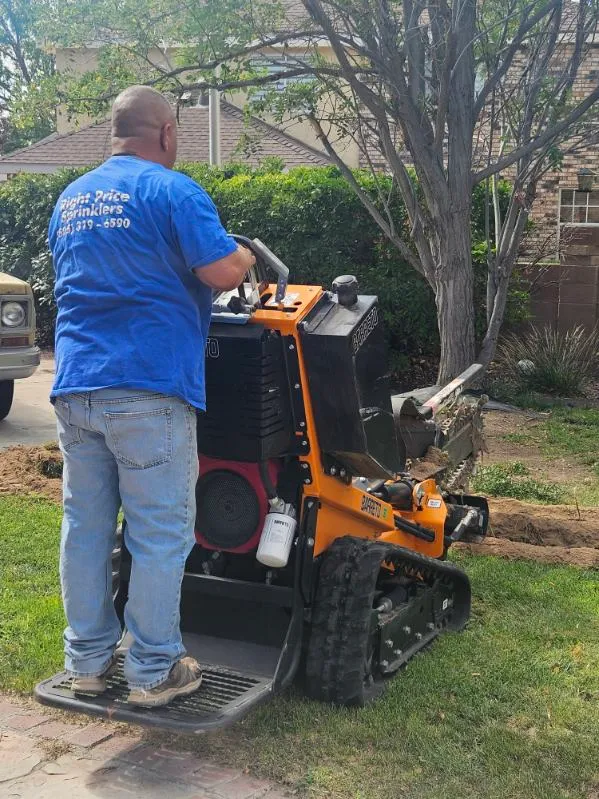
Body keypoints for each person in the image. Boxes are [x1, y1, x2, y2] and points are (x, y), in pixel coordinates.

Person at [47, 85, 255, 708]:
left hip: (78, 385)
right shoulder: (172, 190)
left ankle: (86, 662)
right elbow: (221, 273)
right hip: (148, 387)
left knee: (84, 527)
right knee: (160, 532)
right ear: (166, 133)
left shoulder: (72, 197)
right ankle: (153, 670)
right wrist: (242, 255)